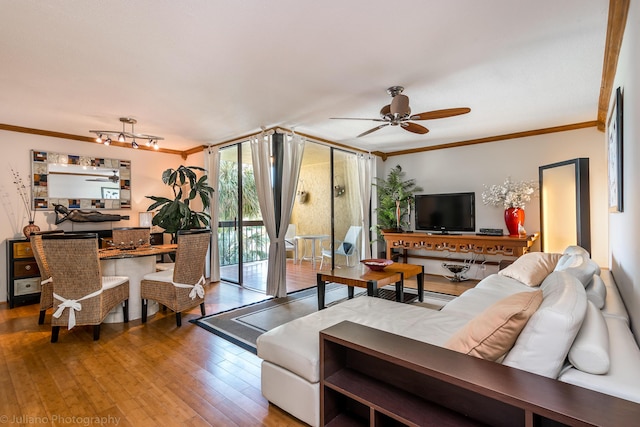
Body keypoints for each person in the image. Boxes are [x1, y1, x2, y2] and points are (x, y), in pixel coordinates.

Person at [54, 204, 130, 224]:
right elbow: (57, 222)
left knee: (106, 217)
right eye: (62, 208)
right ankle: (121, 217)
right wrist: (56, 213)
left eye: (63, 206)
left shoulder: (71, 214)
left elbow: (84, 212)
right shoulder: (69, 216)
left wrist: (57, 213)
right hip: (91, 217)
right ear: (62, 211)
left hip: (92, 215)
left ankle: (122, 217)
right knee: (106, 217)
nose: (64, 208)